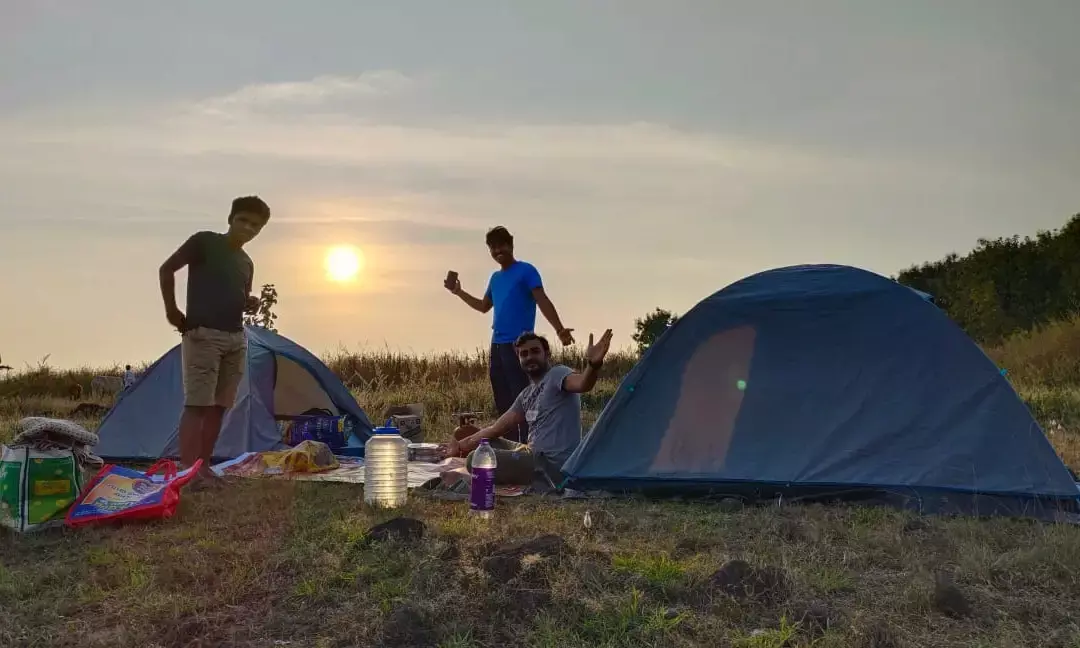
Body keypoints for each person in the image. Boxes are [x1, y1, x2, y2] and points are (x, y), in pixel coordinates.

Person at [158, 196, 270, 486]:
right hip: (204, 334)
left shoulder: (246, 262)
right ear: (230, 219)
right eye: (243, 220)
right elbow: (166, 269)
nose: (248, 228)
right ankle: (187, 472)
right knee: (198, 404)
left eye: (255, 225)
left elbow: (240, 296)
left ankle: (204, 467)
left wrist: (251, 302)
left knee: (220, 406)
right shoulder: (205, 242)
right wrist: (172, 310)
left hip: (236, 338)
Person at [445, 226, 574, 443]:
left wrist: (559, 329)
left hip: (520, 347)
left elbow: (542, 299)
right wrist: (458, 292)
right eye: (493, 248)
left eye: (501, 245)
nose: (498, 251)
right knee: (503, 401)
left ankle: (527, 447)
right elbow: (483, 306)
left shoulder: (526, 271)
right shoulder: (495, 278)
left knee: (523, 400)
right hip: (497, 346)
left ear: (511, 245)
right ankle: (509, 447)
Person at [444, 329, 612, 486]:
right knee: (465, 432)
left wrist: (593, 365)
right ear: (518, 359)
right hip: (528, 453)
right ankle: (463, 452)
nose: (529, 357)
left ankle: (478, 467)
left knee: (475, 459)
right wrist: (462, 444)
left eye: (535, 351)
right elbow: (496, 428)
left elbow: (583, 383)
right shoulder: (525, 395)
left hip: (549, 465)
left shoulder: (558, 374)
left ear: (547, 354)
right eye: (524, 354)